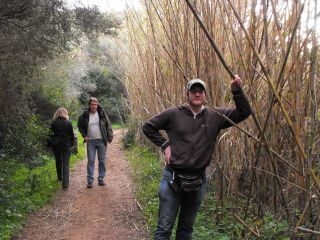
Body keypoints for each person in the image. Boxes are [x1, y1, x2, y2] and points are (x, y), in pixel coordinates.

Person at [142, 76, 251, 240]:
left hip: (197, 181)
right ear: (187, 94)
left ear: (205, 95)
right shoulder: (173, 114)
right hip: (173, 180)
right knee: (164, 229)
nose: (197, 94)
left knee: (186, 229)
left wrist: (237, 92)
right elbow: (148, 127)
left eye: (201, 91)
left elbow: (243, 112)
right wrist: (165, 145)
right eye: (194, 90)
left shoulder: (215, 116)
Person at [78, 97, 113, 188]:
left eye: (95, 104)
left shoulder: (101, 113)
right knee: (91, 161)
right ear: (89, 105)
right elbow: (80, 125)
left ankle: (101, 179)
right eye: (92, 104)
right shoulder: (85, 115)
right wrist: (84, 135)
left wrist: (110, 137)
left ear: (97, 105)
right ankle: (90, 181)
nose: (94, 106)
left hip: (101, 141)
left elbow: (108, 125)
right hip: (91, 142)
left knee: (101, 161)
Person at [50, 107, 75, 190]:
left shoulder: (53, 123)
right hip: (66, 145)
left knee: (58, 161)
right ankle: (65, 185)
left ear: (56, 113)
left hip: (56, 145)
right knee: (66, 164)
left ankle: (60, 177)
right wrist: (72, 144)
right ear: (65, 113)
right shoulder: (68, 123)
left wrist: (49, 145)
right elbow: (72, 135)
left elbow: (50, 135)